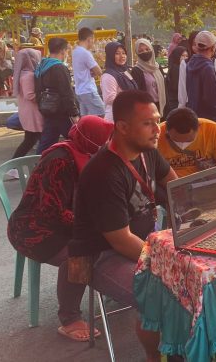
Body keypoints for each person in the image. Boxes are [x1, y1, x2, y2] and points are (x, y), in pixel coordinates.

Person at [69, 90, 177, 362]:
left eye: (157, 120)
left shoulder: (147, 151)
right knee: (160, 293)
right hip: (104, 256)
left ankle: (187, 345)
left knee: (199, 274)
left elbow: (176, 188)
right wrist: (169, 261)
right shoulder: (103, 171)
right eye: (148, 123)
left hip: (147, 242)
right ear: (123, 127)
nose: (157, 130)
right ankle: (156, 357)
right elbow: (120, 240)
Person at [8, 116, 113, 342]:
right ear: (91, 139)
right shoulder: (60, 161)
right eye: (104, 140)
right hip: (32, 230)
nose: (107, 144)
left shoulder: (89, 155)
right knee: (80, 254)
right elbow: (50, 210)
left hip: (62, 224)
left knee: (113, 236)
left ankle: (117, 290)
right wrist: (89, 225)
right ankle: (69, 318)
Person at [157, 107, 216, 177]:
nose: (183, 145)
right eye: (176, 141)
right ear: (166, 129)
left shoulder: (214, 130)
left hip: (206, 181)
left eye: (189, 141)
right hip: (169, 184)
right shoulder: (156, 134)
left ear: (199, 127)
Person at [35, 38, 80, 154]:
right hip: (62, 112)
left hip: (48, 110)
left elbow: (38, 90)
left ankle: (37, 166)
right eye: (67, 51)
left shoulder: (42, 65)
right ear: (63, 51)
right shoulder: (59, 67)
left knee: (46, 145)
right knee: (78, 142)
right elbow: (66, 92)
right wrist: (74, 113)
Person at [185, 31, 216, 125]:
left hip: (196, 115)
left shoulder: (191, 63)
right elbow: (212, 98)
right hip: (210, 119)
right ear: (213, 47)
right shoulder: (208, 67)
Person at [10, 49, 43, 163]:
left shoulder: (23, 73)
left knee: (30, 141)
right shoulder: (28, 75)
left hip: (28, 114)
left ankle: (14, 167)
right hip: (33, 115)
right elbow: (30, 95)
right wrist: (44, 96)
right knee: (40, 141)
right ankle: (40, 165)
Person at [72, 27, 106, 117]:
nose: (93, 42)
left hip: (80, 91)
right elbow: (99, 71)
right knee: (102, 114)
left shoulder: (75, 51)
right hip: (88, 90)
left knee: (86, 119)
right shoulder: (86, 53)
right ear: (89, 39)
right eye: (93, 40)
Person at [100, 41, 137, 122]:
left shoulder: (124, 71)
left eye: (123, 53)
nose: (122, 56)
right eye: (117, 53)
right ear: (110, 55)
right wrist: (129, 98)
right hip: (116, 117)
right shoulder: (108, 75)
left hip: (129, 114)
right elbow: (109, 98)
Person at [131, 38, 167, 118]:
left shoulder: (157, 67)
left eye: (147, 49)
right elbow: (137, 93)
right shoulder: (137, 70)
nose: (145, 52)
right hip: (147, 109)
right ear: (137, 53)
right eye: (141, 51)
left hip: (161, 106)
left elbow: (164, 87)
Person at [163, 46, 187, 118]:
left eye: (187, 56)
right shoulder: (176, 69)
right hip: (175, 103)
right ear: (177, 56)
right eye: (182, 55)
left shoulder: (176, 67)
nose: (185, 58)